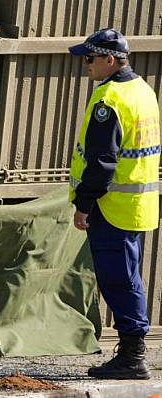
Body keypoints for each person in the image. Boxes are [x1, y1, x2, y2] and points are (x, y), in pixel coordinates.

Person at [67, 28, 160, 380]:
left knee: (119, 280)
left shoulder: (110, 99)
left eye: (90, 59)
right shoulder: (142, 90)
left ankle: (133, 356)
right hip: (136, 205)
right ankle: (132, 352)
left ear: (110, 59)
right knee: (127, 277)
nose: (86, 65)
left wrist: (84, 203)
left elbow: (102, 160)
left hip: (112, 207)